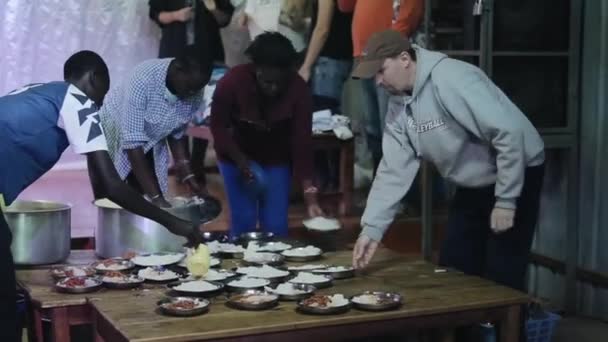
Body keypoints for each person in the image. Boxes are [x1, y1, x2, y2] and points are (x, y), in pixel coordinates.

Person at [0, 51, 200, 342]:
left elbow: (102, 184)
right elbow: (113, 186)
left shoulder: (40, 92)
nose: (101, 105)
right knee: (4, 300)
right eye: (103, 95)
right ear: (94, 78)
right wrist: (174, 223)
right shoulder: (80, 103)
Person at [351, 30, 545, 297]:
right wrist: (372, 229)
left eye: (382, 71)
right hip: (472, 181)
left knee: (502, 273)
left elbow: (508, 133)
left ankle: (507, 332)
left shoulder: (453, 79)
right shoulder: (398, 104)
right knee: (455, 266)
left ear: (405, 59)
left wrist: (506, 200)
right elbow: (392, 169)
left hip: (516, 169)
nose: (379, 81)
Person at [210, 32, 323, 238]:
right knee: (244, 221)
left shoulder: (298, 90)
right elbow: (218, 127)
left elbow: (302, 144)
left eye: (279, 83)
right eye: (267, 82)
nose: (273, 88)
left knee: (276, 226)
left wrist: (311, 198)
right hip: (235, 156)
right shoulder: (232, 82)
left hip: (276, 160)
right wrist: (241, 161)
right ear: (255, 70)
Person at [99, 47, 212, 208]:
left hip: (150, 138)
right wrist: (156, 197)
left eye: (198, 88)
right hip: (114, 133)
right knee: (118, 198)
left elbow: (177, 134)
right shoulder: (142, 79)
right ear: (177, 69)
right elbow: (133, 144)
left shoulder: (194, 90)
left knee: (149, 198)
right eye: (189, 87)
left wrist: (188, 176)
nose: (192, 93)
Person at [149, 0, 235, 187]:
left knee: (202, 110)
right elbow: (155, 14)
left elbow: (225, 18)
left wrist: (212, 8)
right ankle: (183, 164)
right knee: (176, 108)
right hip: (174, 54)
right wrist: (176, 16)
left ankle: (197, 163)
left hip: (208, 55)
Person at [338, 0, 424, 171]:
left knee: (391, 125)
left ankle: (398, 189)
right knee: (371, 126)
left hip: (389, 55)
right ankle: (381, 183)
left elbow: (411, 9)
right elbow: (344, 6)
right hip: (364, 55)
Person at [239, 0, 311, 54]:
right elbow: (247, 16)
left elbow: (306, 24)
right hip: (264, 50)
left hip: (292, 50)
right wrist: (244, 17)